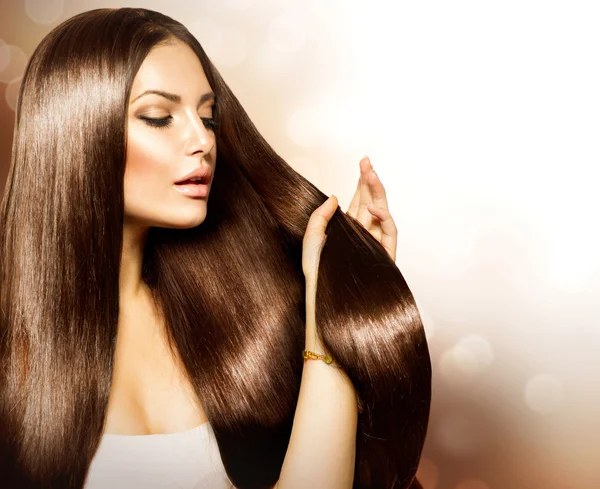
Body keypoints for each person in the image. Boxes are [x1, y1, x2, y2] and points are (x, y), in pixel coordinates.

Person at [0, 7, 431, 489]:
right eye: (159, 117)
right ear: (74, 133)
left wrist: (336, 305)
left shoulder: (237, 313)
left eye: (208, 116)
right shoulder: (11, 348)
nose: (202, 139)